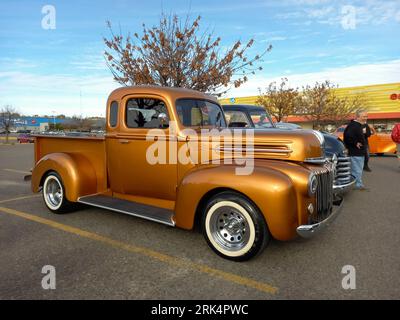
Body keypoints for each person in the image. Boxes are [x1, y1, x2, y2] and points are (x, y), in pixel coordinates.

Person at [343, 110, 369, 190]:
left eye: (366, 116)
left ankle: (357, 184)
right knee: (357, 169)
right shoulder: (354, 125)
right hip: (356, 152)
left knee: (357, 169)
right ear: (358, 117)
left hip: (358, 151)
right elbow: (347, 136)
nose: (366, 118)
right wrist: (355, 143)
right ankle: (358, 185)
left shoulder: (357, 125)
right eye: (364, 116)